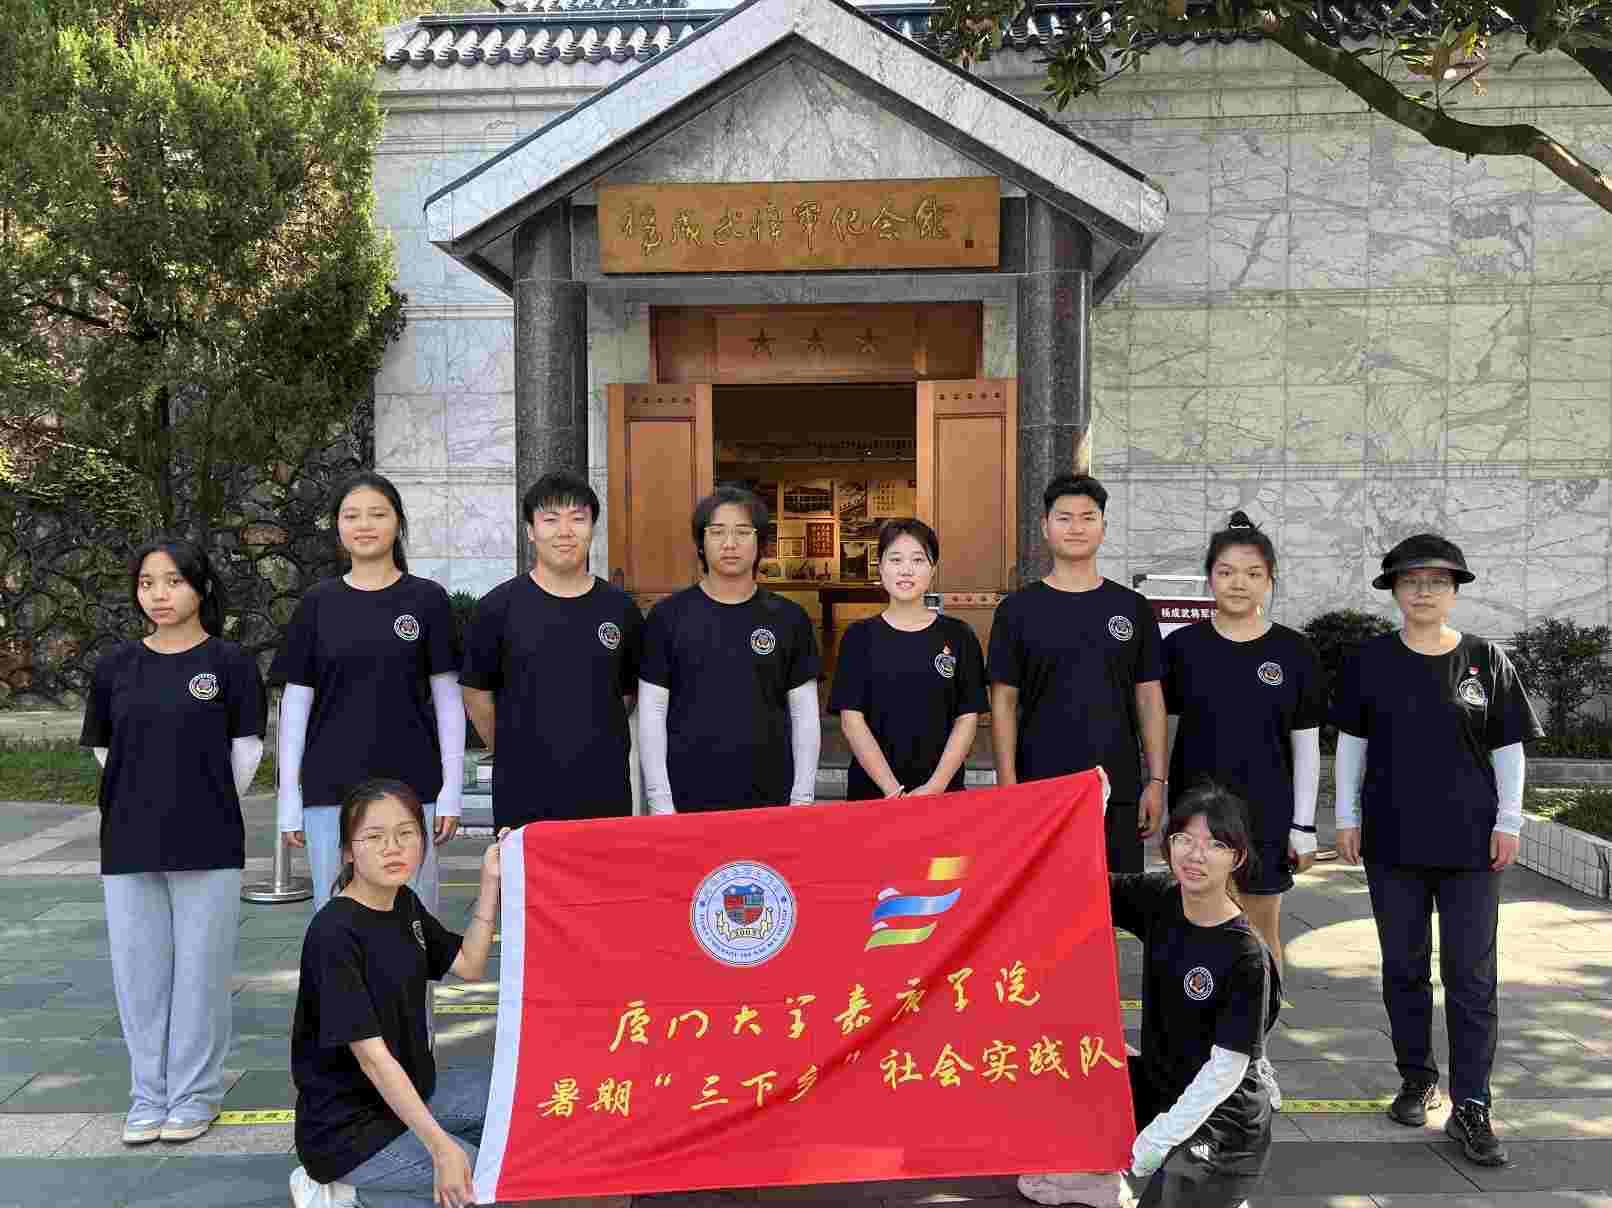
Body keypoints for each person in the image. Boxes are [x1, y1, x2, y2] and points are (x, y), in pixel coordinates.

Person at [1334, 534, 1541, 1167]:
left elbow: (1508, 749)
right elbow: (1352, 745)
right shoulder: (1371, 660)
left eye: (1437, 581)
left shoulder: (1485, 660)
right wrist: (1346, 817)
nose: (1423, 591)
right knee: (1403, 967)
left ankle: (1472, 1103)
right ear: (1395, 590)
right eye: (1411, 581)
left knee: (1471, 976)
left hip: (1472, 845)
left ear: (1454, 591)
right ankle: (1417, 1079)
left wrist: (1509, 821)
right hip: (1392, 840)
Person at [81, 539, 266, 1146]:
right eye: (147, 583)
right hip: (129, 839)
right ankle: (148, 1096)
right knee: (140, 978)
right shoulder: (114, 667)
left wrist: (197, 799)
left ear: (200, 588)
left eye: (173, 581)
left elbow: (245, 756)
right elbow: (105, 751)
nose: (159, 595)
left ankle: (194, 1095)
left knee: (200, 976)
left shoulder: (231, 663)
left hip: (208, 838)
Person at [1020, 785, 1280, 1208]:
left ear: (1237, 858)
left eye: (1215, 844)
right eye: (1185, 840)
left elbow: (1226, 1071)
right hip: (1163, 1081)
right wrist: (1090, 808)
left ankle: (1222, 1192)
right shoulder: (1161, 899)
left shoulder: (1245, 954)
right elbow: (1078, 882)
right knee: (1061, 1064)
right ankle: (1100, 1178)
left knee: (1171, 1187)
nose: (1196, 855)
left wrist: (1156, 1140)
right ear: (1169, 845)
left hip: (1224, 1119)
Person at [1161, 511, 1326, 1108]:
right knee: (1191, 936)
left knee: (1259, 937)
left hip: (1265, 819)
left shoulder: (1294, 651)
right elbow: (1162, 731)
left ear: (1270, 580)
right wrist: (1160, 802)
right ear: (1209, 578)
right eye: (1227, 571)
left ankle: (1256, 1057)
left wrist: (1304, 825)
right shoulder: (1180, 649)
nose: (1239, 583)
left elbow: (1306, 745)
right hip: (1195, 824)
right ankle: (1192, 1057)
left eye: (1253, 573)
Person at [289, 779, 500, 1208]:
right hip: (349, 1131)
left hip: (415, 1092)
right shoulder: (334, 934)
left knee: (516, 1115)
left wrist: (490, 884)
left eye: (406, 833)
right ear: (348, 851)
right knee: (486, 1181)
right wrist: (442, 1149)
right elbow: (373, 1058)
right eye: (374, 837)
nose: (393, 848)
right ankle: (345, 1192)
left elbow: (468, 965)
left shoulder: (404, 904)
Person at [273, 471, 463, 916]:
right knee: (337, 920)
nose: (364, 525)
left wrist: (451, 790)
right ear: (337, 526)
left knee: (414, 920)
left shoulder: (427, 600)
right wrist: (289, 800)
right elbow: (295, 707)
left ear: (398, 523)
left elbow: (449, 702)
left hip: (412, 786)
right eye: (352, 515)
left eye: (378, 514)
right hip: (330, 790)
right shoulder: (317, 604)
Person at [989, 474, 1167, 872]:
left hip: (1117, 786)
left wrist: (1156, 782)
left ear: (1104, 526)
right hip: (1039, 788)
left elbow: (1149, 697)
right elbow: (1003, 703)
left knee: (1115, 898)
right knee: (1044, 898)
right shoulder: (1017, 611)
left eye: (1088, 517)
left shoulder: (1132, 608)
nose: (1076, 528)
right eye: (1064, 518)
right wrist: (1007, 785)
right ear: (1045, 526)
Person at [460, 470, 644, 830]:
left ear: (592, 528)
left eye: (577, 519)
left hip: (603, 788)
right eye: (550, 519)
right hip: (524, 791)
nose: (565, 531)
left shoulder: (620, 610)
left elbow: (626, 694)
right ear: (530, 530)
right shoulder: (497, 608)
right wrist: (514, 747)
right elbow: (476, 694)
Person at [639, 485, 821, 812]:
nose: (730, 543)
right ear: (700, 542)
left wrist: (802, 798)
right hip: (687, 795)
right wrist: (660, 800)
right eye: (717, 532)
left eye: (742, 532)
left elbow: (804, 713)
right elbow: (652, 713)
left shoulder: (789, 618)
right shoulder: (667, 617)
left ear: (760, 543)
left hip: (771, 796)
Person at [828, 518, 987, 800]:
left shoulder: (959, 636)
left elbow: (967, 717)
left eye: (918, 560)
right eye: (895, 559)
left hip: (942, 795)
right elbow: (852, 720)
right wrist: (892, 790)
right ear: (880, 567)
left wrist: (936, 786)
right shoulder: (859, 637)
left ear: (933, 569)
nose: (906, 570)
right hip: (873, 795)